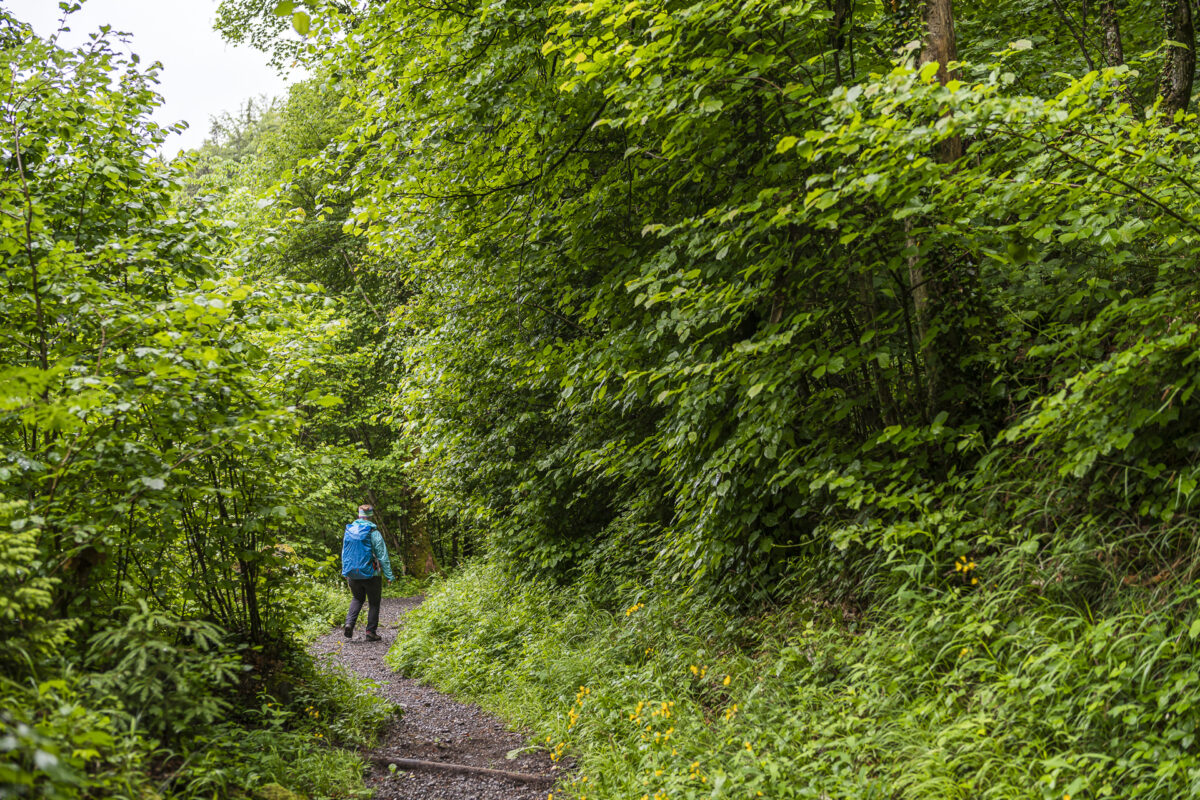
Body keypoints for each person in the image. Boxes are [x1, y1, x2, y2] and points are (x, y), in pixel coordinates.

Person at [341, 504, 394, 641]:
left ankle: (349, 624)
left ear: (358, 515)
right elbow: (382, 555)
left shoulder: (349, 531)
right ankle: (370, 632)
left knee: (357, 598)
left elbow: (344, 553)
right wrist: (389, 575)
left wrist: (346, 571)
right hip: (372, 575)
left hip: (353, 574)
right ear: (370, 516)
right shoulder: (373, 532)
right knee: (374, 603)